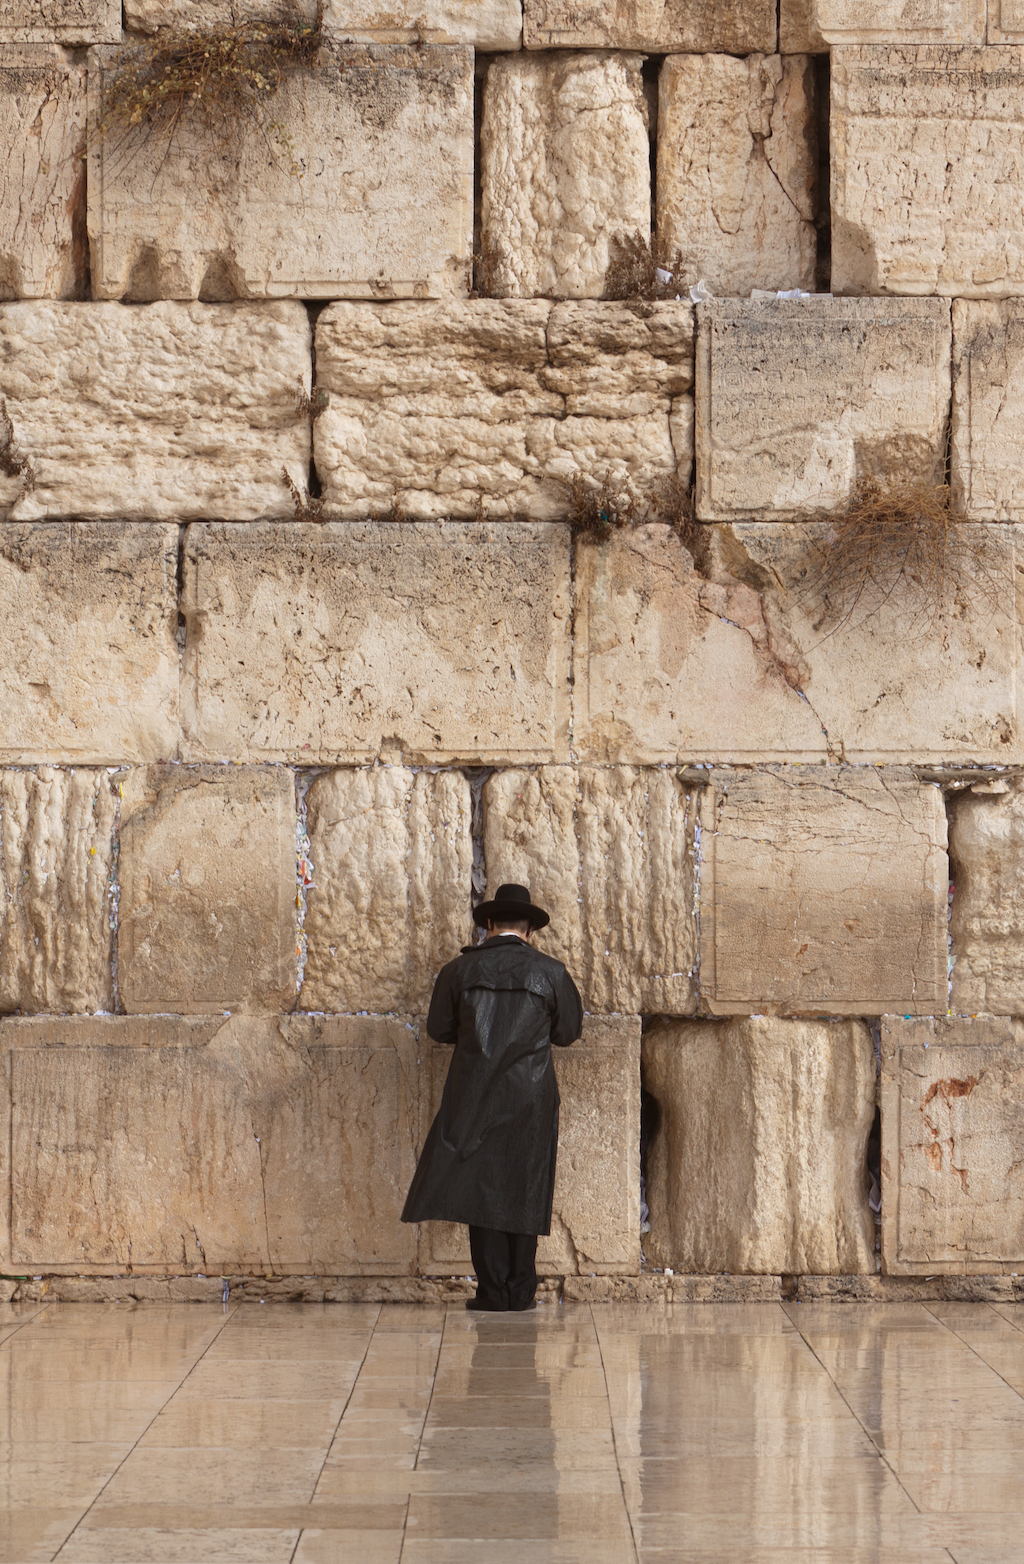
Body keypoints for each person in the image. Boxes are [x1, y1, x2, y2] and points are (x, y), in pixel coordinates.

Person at [401, 883, 583, 1312]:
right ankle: (521, 1291)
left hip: (473, 1093)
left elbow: (439, 1030)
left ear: (487, 925)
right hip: (531, 1098)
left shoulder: (457, 972)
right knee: (526, 1184)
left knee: (480, 1188)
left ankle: (491, 1292)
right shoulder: (551, 972)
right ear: (530, 931)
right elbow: (568, 1032)